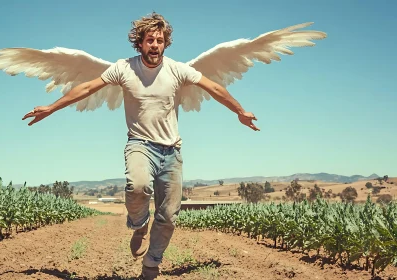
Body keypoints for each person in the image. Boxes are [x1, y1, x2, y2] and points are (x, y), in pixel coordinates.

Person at [22, 12, 259, 280]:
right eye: (150, 40)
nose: (155, 45)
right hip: (140, 145)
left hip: (172, 152)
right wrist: (51, 108)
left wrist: (239, 111)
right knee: (137, 185)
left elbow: (215, 88)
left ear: (165, 43)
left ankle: (151, 265)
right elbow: (87, 87)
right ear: (140, 43)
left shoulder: (179, 69)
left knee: (169, 217)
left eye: (159, 40)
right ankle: (138, 225)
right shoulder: (123, 68)